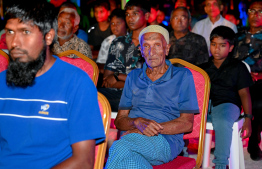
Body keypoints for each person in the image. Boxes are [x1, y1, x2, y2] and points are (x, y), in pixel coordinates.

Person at [0, 1, 105, 168]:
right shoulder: (1, 82)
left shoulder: (76, 83)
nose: (14, 43)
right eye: (10, 32)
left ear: (48, 36)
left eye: (25, 32)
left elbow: (84, 162)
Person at [105, 25, 199, 169]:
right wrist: (136, 123)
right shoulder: (133, 77)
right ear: (141, 51)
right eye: (146, 46)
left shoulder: (182, 76)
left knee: (119, 147)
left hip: (165, 141)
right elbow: (120, 121)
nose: (151, 52)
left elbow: (187, 124)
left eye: (157, 45)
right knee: (129, 162)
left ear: (167, 49)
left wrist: (148, 128)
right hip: (132, 139)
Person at [200, 26, 253, 169]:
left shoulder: (238, 67)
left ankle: (221, 164)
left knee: (222, 120)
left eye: (222, 45)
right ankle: (184, 154)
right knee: (183, 113)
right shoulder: (203, 68)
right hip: (207, 107)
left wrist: (248, 117)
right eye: (214, 44)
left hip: (228, 105)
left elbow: (244, 93)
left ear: (230, 48)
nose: (217, 49)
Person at [98, 0, 149, 112]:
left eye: (135, 14)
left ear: (146, 16)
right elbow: (107, 80)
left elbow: (148, 83)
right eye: (127, 14)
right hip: (116, 93)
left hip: (142, 96)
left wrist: (117, 76)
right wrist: (123, 81)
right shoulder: (118, 42)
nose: (130, 18)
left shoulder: (152, 42)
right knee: (89, 95)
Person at [233, 0, 262, 161]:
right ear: (247, 13)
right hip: (237, 81)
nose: (256, 15)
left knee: (258, 102)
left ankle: (253, 141)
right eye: (252, 10)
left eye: (261, 12)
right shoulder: (237, 36)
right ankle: (227, 138)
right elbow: (228, 61)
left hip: (259, 82)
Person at [96, 8, 128, 73]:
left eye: (118, 23)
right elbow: (100, 64)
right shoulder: (107, 41)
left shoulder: (132, 41)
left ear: (126, 23)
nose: (115, 26)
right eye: (112, 24)